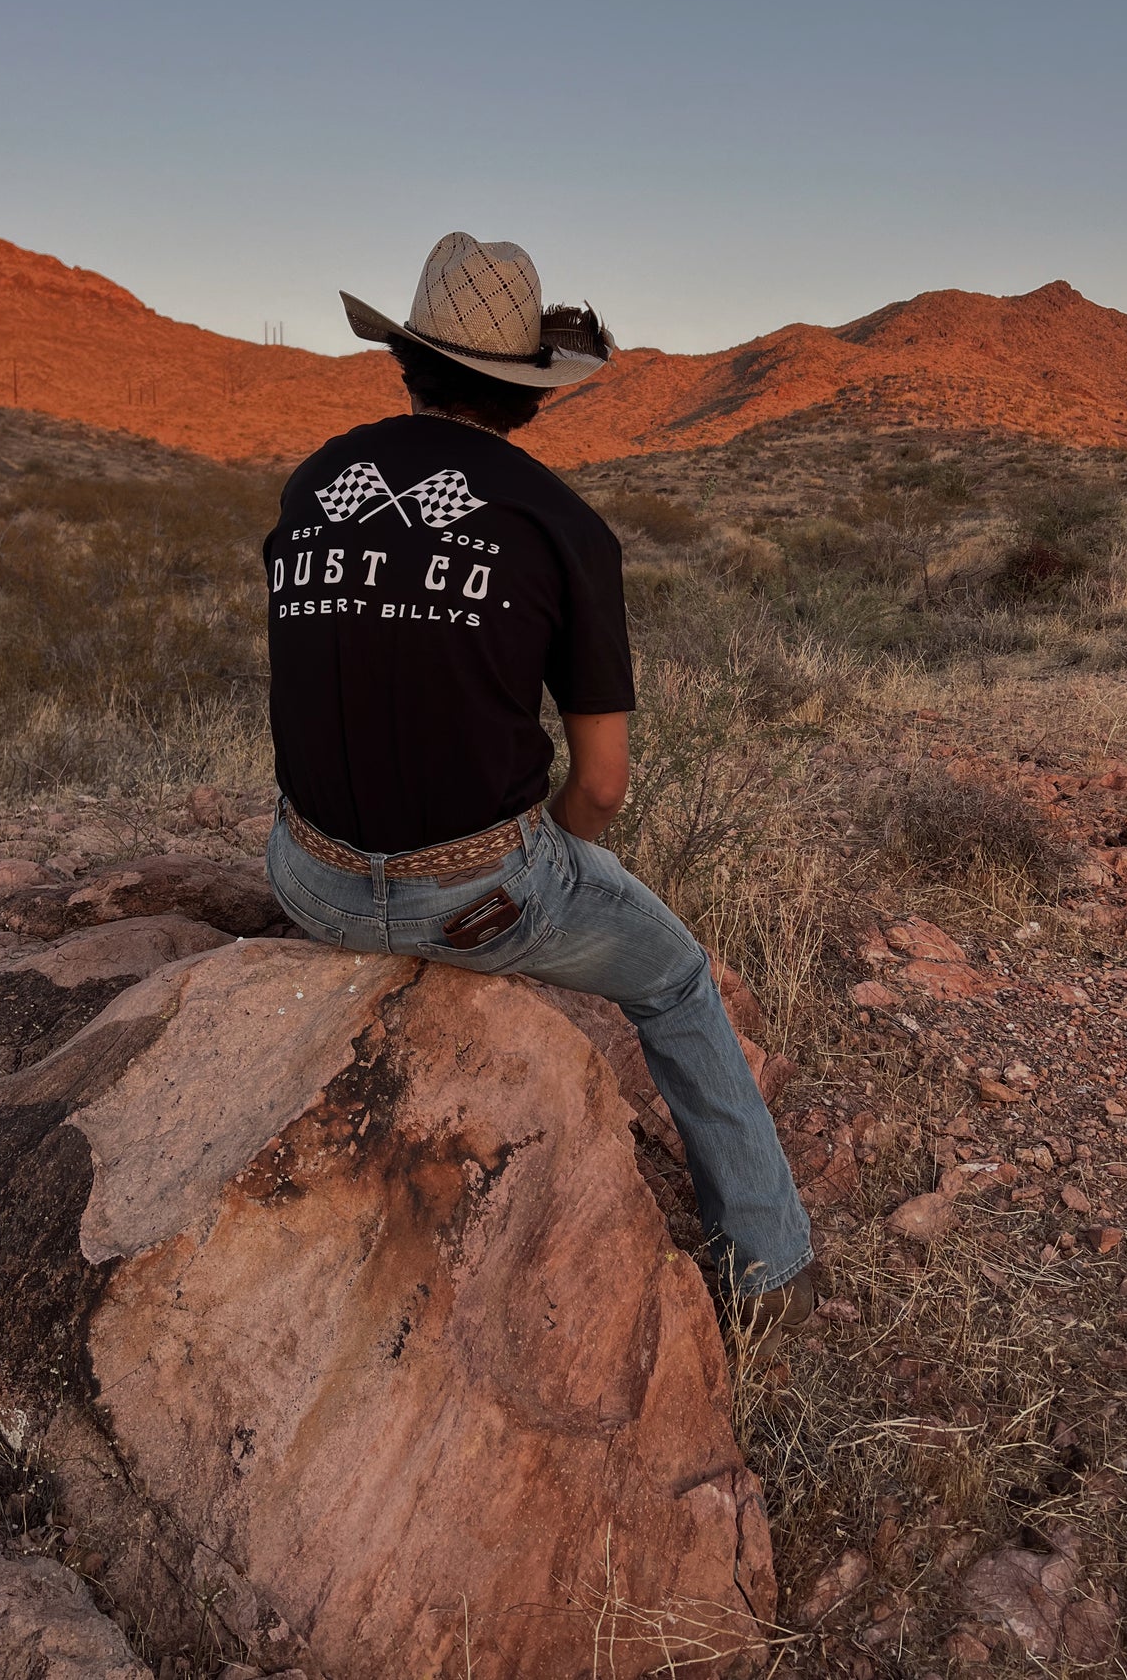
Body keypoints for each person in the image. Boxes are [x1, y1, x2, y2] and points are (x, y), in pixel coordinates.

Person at [263, 232, 812, 1344]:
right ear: (523, 393)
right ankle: (767, 1260)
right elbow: (600, 786)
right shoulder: (559, 522)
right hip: (478, 898)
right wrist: (539, 869)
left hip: (306, 885)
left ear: (408, 360)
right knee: (672, 981)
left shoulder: (318, 480)